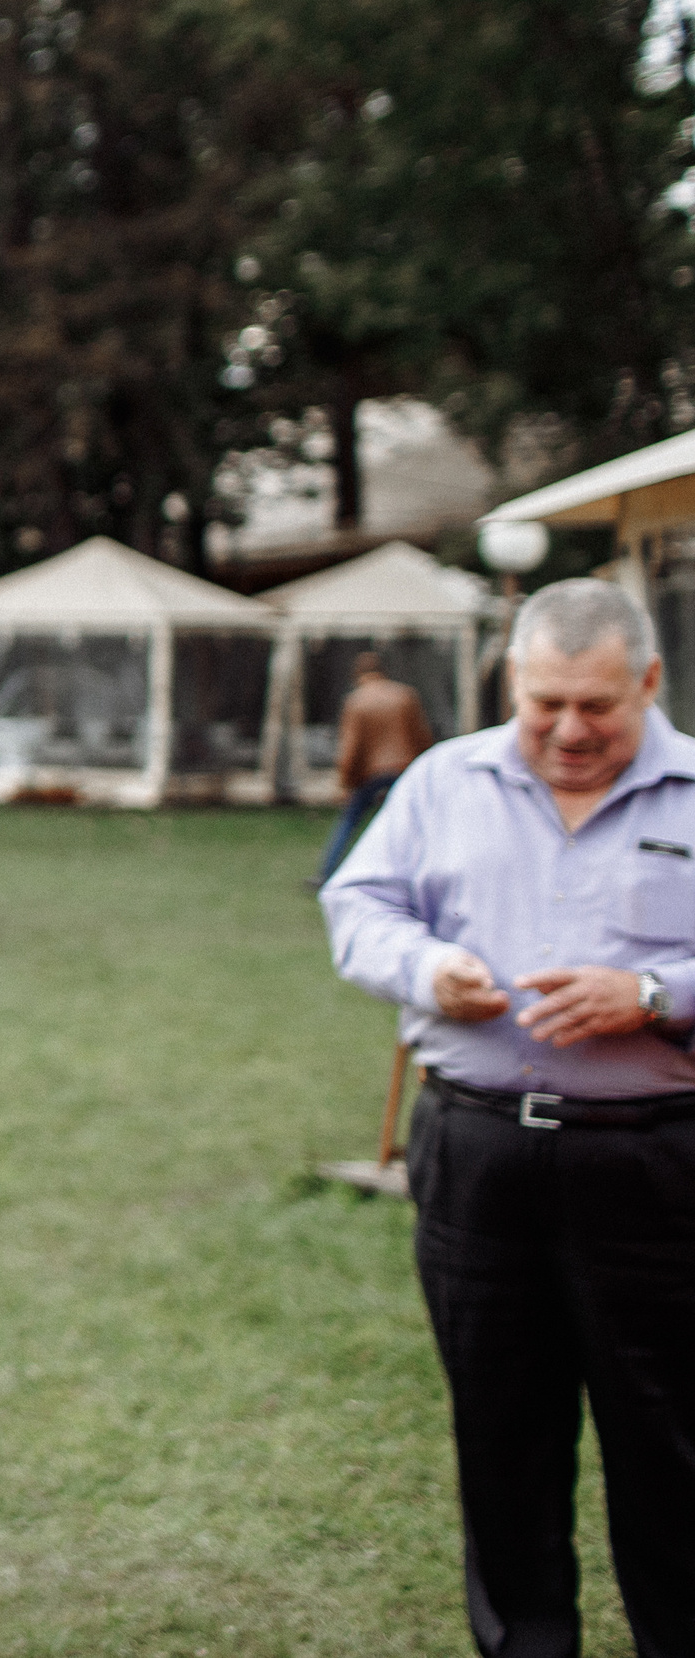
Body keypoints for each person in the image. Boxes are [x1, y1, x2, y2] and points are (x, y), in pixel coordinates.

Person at [323, 577, 695, 1658]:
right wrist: (425, 966)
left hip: (656, 1163)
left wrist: (658, 995)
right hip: (477, 1154)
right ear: (511, 685)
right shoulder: (444, 779)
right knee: (501, 1437)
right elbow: (359, 905)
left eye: (596, 706)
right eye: (544, 705)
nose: (569, 730)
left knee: (669, 1442)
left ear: (648, 683)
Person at [318, 650, 434, 883]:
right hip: (405, 767)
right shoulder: (404, 695)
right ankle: (425, 870)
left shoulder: (356, 700)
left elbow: (351, 748)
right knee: (416, 820)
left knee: (350, 819)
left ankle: (327, 871)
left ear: (356, 674)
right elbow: (422, 736)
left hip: (373, 772)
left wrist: (346, 783)